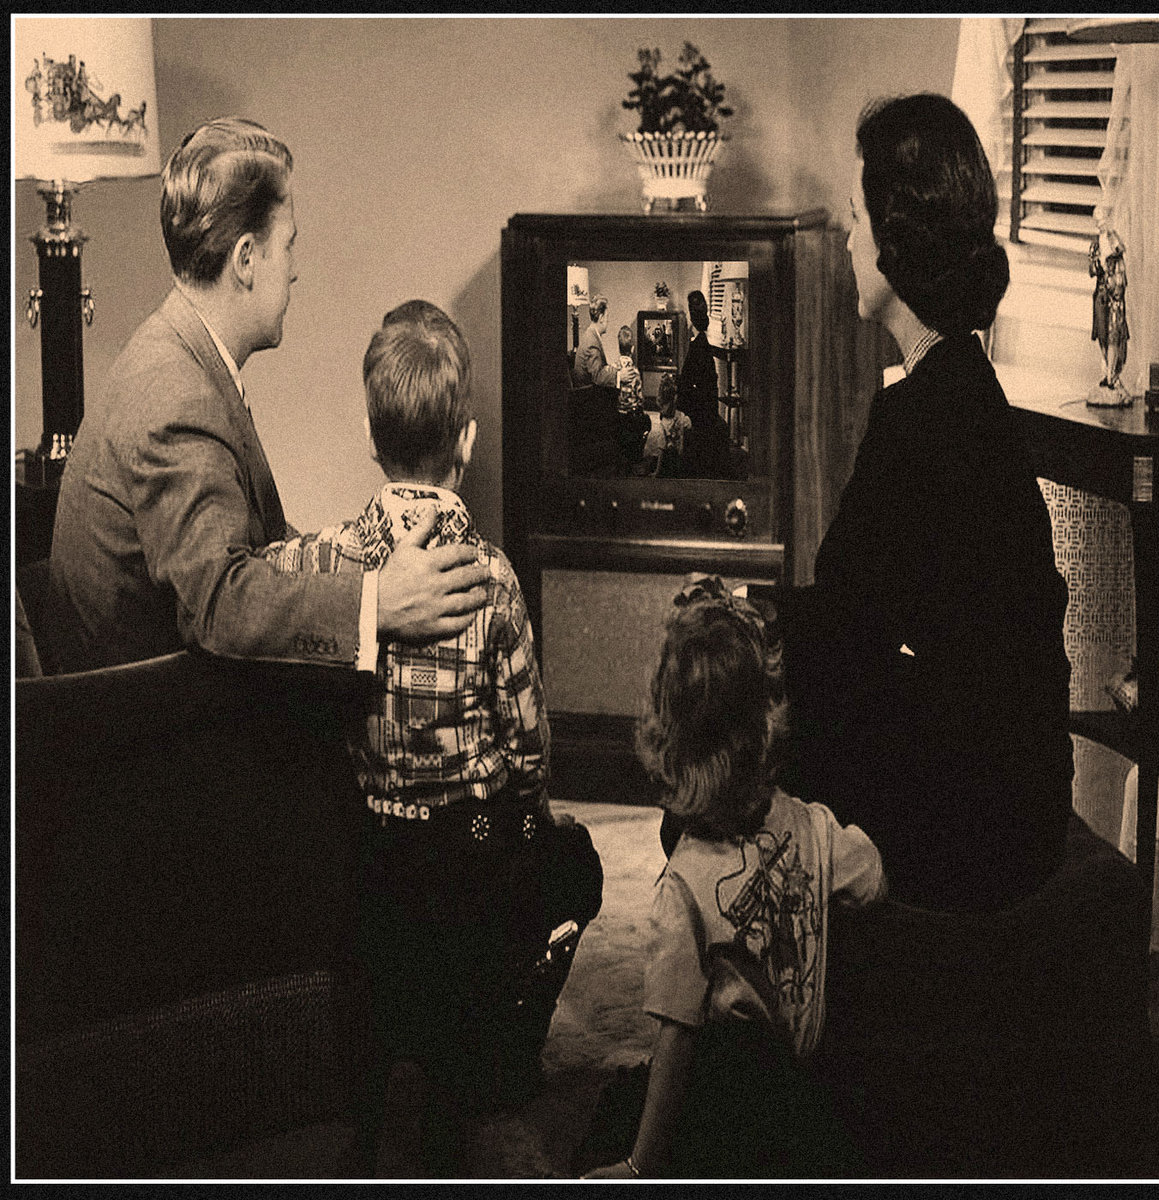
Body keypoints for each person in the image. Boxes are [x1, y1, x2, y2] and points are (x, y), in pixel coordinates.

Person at [258, 300, 604, 1175]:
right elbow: (528, 750)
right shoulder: (493, 579)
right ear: (469, 441)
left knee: (383, 980)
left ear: (369, 437)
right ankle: (492, 1058)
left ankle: (378, 1093)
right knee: (581, 867)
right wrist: (532, 814)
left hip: (370, 867)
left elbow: (258, 580)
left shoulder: (325, 560)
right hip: (471, 873)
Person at [48, 117, 487, 675]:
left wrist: (373, 564)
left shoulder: (184, 354)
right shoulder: (177, 398)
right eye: (288, 245)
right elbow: (219, 606)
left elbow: (262, 551)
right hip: (149, 718)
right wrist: (377, 601)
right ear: (246, 259)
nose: (295, 271)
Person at [780, 93, 1074, 912]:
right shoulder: (962, 383)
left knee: (722, 786)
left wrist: (742, 618)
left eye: (856, 219)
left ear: (896, 237)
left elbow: (846, 623)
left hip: (982, 824)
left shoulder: (924, 413)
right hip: (1023, 792)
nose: (848, 240)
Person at [580, 576, 886, 1179]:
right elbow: (872, 878)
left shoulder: (684, 887)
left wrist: (640, 1165)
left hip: (726, 1111)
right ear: (768, 719)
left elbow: (676, 1040)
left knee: (614, 1109)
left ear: (668, 737)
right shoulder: (815, 825)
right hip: (807, 1098)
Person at [677, 290, 729, 477]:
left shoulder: (698, 346)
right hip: (707, 409)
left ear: (691, 316)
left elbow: (687, 383)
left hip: (701, 415)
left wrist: (680, 403)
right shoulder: (702, 343)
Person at [572, 294, 637, 391]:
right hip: (588, 395)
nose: (608, 320)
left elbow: (598, 369)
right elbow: (597, 377)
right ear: (601, 317)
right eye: (607, 316)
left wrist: (613, 368)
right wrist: (619, 376)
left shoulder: (591, 334)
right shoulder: (591, 342)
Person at [615, 324, 651, 470]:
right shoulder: (635, 372)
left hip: (619, 417)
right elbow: (640, 398)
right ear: (632, 349)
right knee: (646, 422)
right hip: (632, 418)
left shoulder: (614, 369)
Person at [646, 372, 690, 478]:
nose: (662, 409)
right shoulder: (670, 421)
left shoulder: (681, 419)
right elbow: (663, 448)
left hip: (679, 456)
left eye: (664, 406)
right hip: (674, 457)